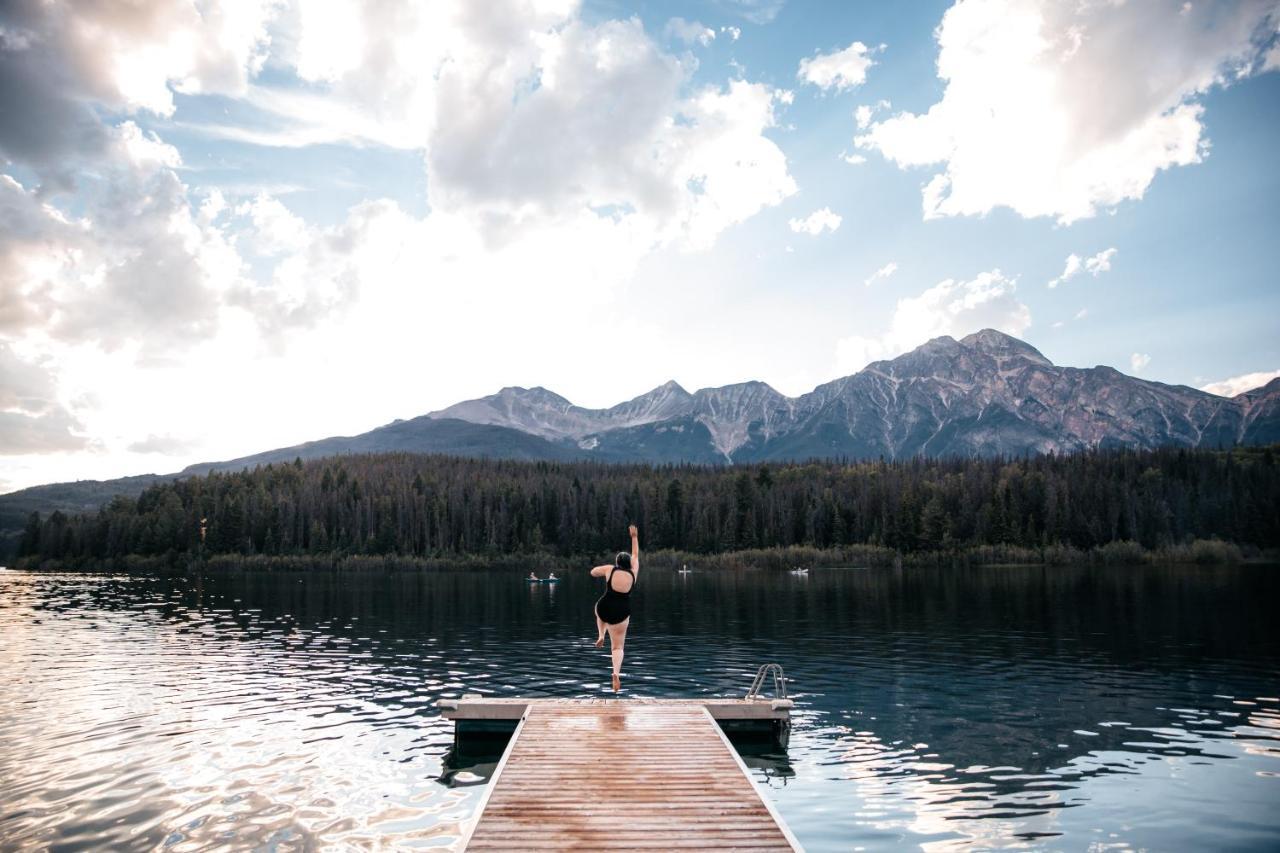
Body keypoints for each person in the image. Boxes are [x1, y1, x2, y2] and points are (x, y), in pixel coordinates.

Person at [591, 524, 639, 692]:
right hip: (621, 614)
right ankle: (616, 674)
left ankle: (600, 634)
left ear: (617, 563)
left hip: (605, 607)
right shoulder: (634, 573)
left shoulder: (610, 570)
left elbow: (593, 572)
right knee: (617, 648)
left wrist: (601, 571)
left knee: (598, 609)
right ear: (630, 564)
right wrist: (634, 537)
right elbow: (635, 555)